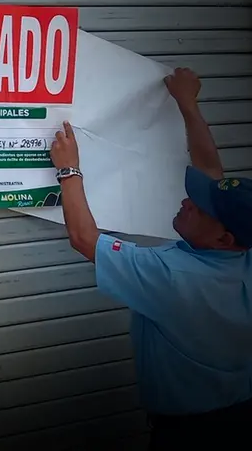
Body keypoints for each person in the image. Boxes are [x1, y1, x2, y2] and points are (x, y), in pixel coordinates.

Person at [50, 67, 252, 450]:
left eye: (198, 207)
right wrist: (187, 104)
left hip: (192, 436)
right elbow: (211, 170)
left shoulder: (174, 277)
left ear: (225, 237)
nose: (186, 200)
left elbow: (84, 239)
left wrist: (68, 169)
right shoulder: (240, 253)